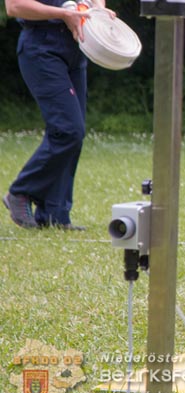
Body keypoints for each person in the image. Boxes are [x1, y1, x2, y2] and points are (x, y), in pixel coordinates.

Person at [3, 0, 114, 230]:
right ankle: (21, 191)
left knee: (73, 132)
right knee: (69, 130)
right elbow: (14, 7)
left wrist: (98, 10)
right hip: (42, 47)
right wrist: (63, 14)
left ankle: (55, 214)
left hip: (76, 47)